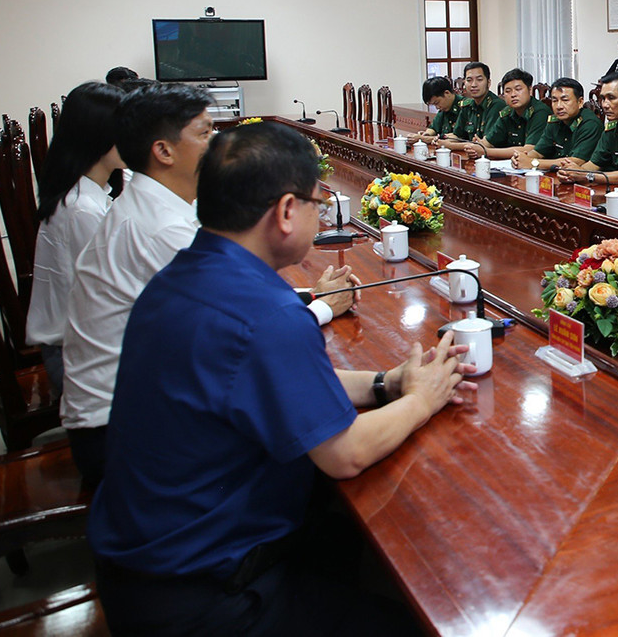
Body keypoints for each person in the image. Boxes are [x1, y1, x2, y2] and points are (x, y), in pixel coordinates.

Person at [89, 122, 474, 636]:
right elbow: (346, 454)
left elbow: (279, 383)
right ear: (287, 211)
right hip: (204, 596)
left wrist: (386, 383)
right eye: (320, 200)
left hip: (143, 565)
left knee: (345, 545)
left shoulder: (187, 274)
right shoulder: (263, 311)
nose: (322, 212)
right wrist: (423, 399)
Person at [60, 84, 352, 486]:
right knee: (311, 449)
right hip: (115, 428)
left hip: (131, 405)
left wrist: (307, 299)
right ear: (163, 151)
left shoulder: (158, 204)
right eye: (205, 133)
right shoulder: (159, 228)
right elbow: (240, 331)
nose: (217, 144)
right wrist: (321, 307)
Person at [25, 82, 125, 394]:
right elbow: (114, 294)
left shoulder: (88, 194)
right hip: (74, 356)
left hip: (82, 342)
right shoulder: (82, 209)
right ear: (100, 137)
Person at [556, 74, 618, 185]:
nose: (604, 104)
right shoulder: (612, 126)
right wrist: (571, 173)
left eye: (611, 98)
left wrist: (587, 176)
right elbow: (594, 164)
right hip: (611, 189)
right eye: (603, 98)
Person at [513, 77, 601, 171]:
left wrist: (532, 163)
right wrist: (521, 158)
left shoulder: (590, 123)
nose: (559, 106)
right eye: (554, 101)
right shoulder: (555, 120)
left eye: (565, 100)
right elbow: (538, 152)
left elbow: (576, 161)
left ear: (580, 102)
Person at [460, 68, 546, 161]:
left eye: (518, 89)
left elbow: (529, 150)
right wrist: (475, 148)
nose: (513, 95)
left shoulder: (540, 112)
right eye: (508, 91)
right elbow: (488, 142)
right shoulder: (507, 112)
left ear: (530, 90)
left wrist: (485, 151)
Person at [445, 62, 506, 143]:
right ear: (464, 83)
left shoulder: (497, 105)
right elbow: (457, 135)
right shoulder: (467, 105)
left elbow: (485, 144)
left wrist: (450, 145)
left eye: (479, 80)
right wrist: (441, 140)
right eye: (469, 80)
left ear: (488, 83)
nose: (474, 85)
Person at [417, 76, 459, 142]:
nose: (437, 107)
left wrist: (426, 139)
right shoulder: (444, 109)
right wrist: (427, 134)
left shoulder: (465, 107)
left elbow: (459, 137)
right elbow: (433, 127)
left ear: (447, 93)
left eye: (437, 103)